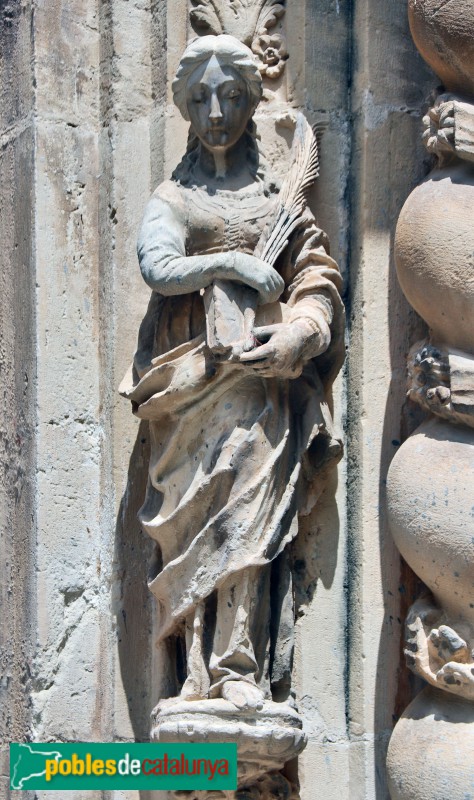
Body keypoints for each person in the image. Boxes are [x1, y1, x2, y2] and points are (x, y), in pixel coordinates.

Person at [120, 34, 344, 711]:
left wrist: (300, 336)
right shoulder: (177, 198)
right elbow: (157, 266)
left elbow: (317, 281)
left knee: (248, 521)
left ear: (251, 100)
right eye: (202, 98)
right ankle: (193, 673)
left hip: (259, 393)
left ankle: (238, 662)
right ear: (186, 106)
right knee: (195, 532)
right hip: (191, 389)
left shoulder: (277, 205)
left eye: (231, 96)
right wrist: (229, 265)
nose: (217, 112)